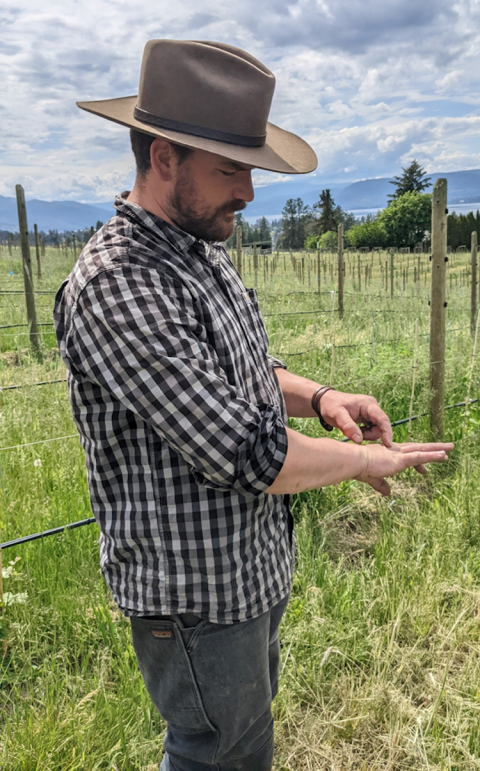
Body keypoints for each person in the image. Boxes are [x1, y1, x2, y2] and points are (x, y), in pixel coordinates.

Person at [54, 39, 453, 771]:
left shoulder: (200, 252)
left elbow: (243, 372)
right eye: (230, 168)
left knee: (239, 742)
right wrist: (368, 461)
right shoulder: (120, 284)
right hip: (195, 597)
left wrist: (323, 397)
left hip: (244, 570)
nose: (247, 191)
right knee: (220, 756)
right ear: (164, 157)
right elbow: (251, 452)